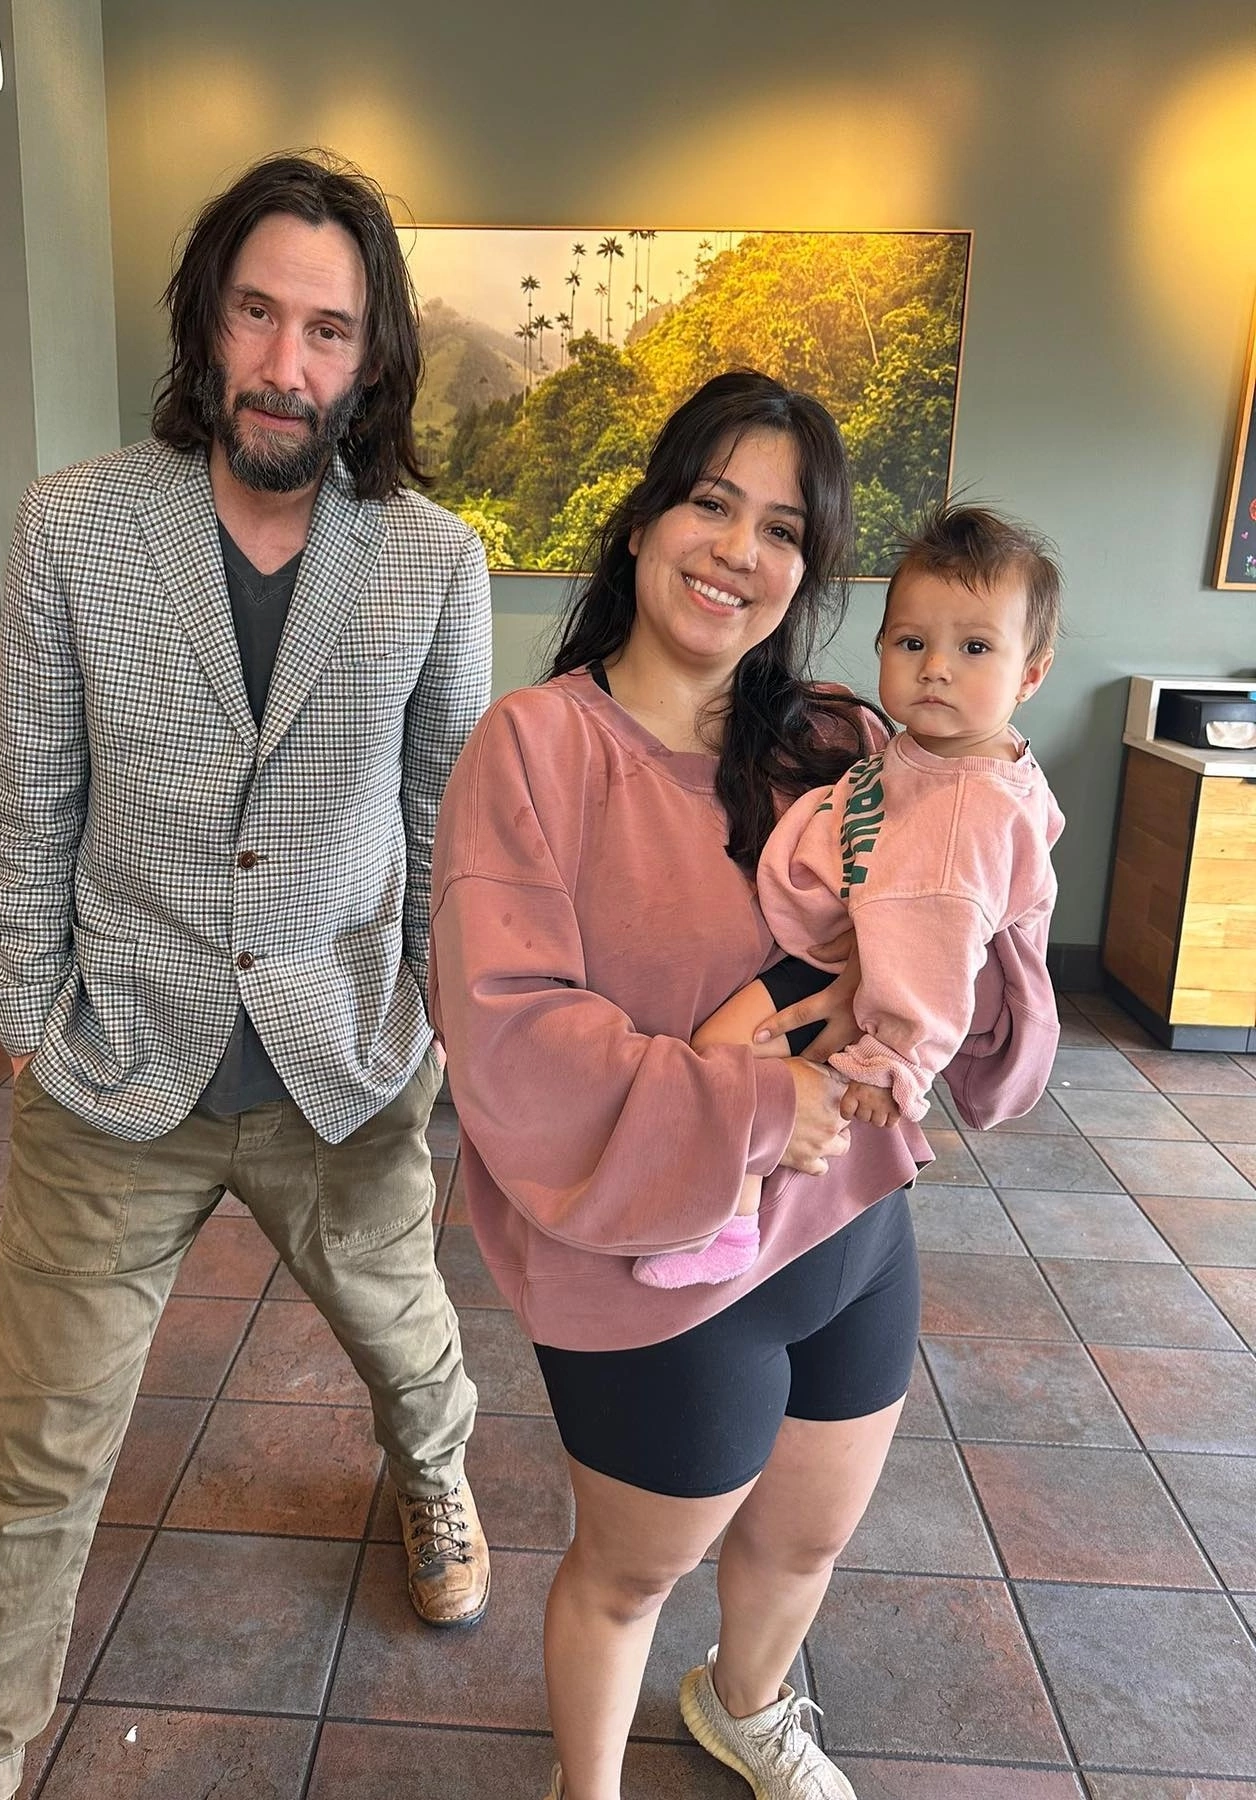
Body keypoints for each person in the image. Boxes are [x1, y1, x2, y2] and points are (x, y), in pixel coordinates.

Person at [0, 152, 493, 1800]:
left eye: (328, 328)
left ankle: (434, 1471)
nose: (285, 363)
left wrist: (438, 1022)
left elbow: (445, 819)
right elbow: (30, 791)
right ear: (205, 321)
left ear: (371, 357)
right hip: (114, 1069)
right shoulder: (79, 523)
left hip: (344, 1066)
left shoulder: (433, 559)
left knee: (407, 1344)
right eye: (256, 312)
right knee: (34, 1466)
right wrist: (25, 1019)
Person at [427, 372, 1060, 1800]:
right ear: (642, 519)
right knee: (628, 1579)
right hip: (655, 1269)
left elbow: (953, 942)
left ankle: (747, 1707)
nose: (737, 550)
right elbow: (514, 1040)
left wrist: (995, 907)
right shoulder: (536, 749)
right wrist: (773, 1101)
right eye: (711, 503)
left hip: (850, 1231)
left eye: (782, 529)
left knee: (805, 1538)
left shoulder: (839, 741)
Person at [635, 502, 1063, 1289]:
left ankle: (727, 1222)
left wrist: (891, 1063)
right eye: (912, 643)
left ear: (1031, 673)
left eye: (974, 647)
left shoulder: (966, 808)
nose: (936, 668)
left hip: (857, 970)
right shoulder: (941, 753)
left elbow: (939, 949)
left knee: (723, 1050)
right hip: (858, 947)